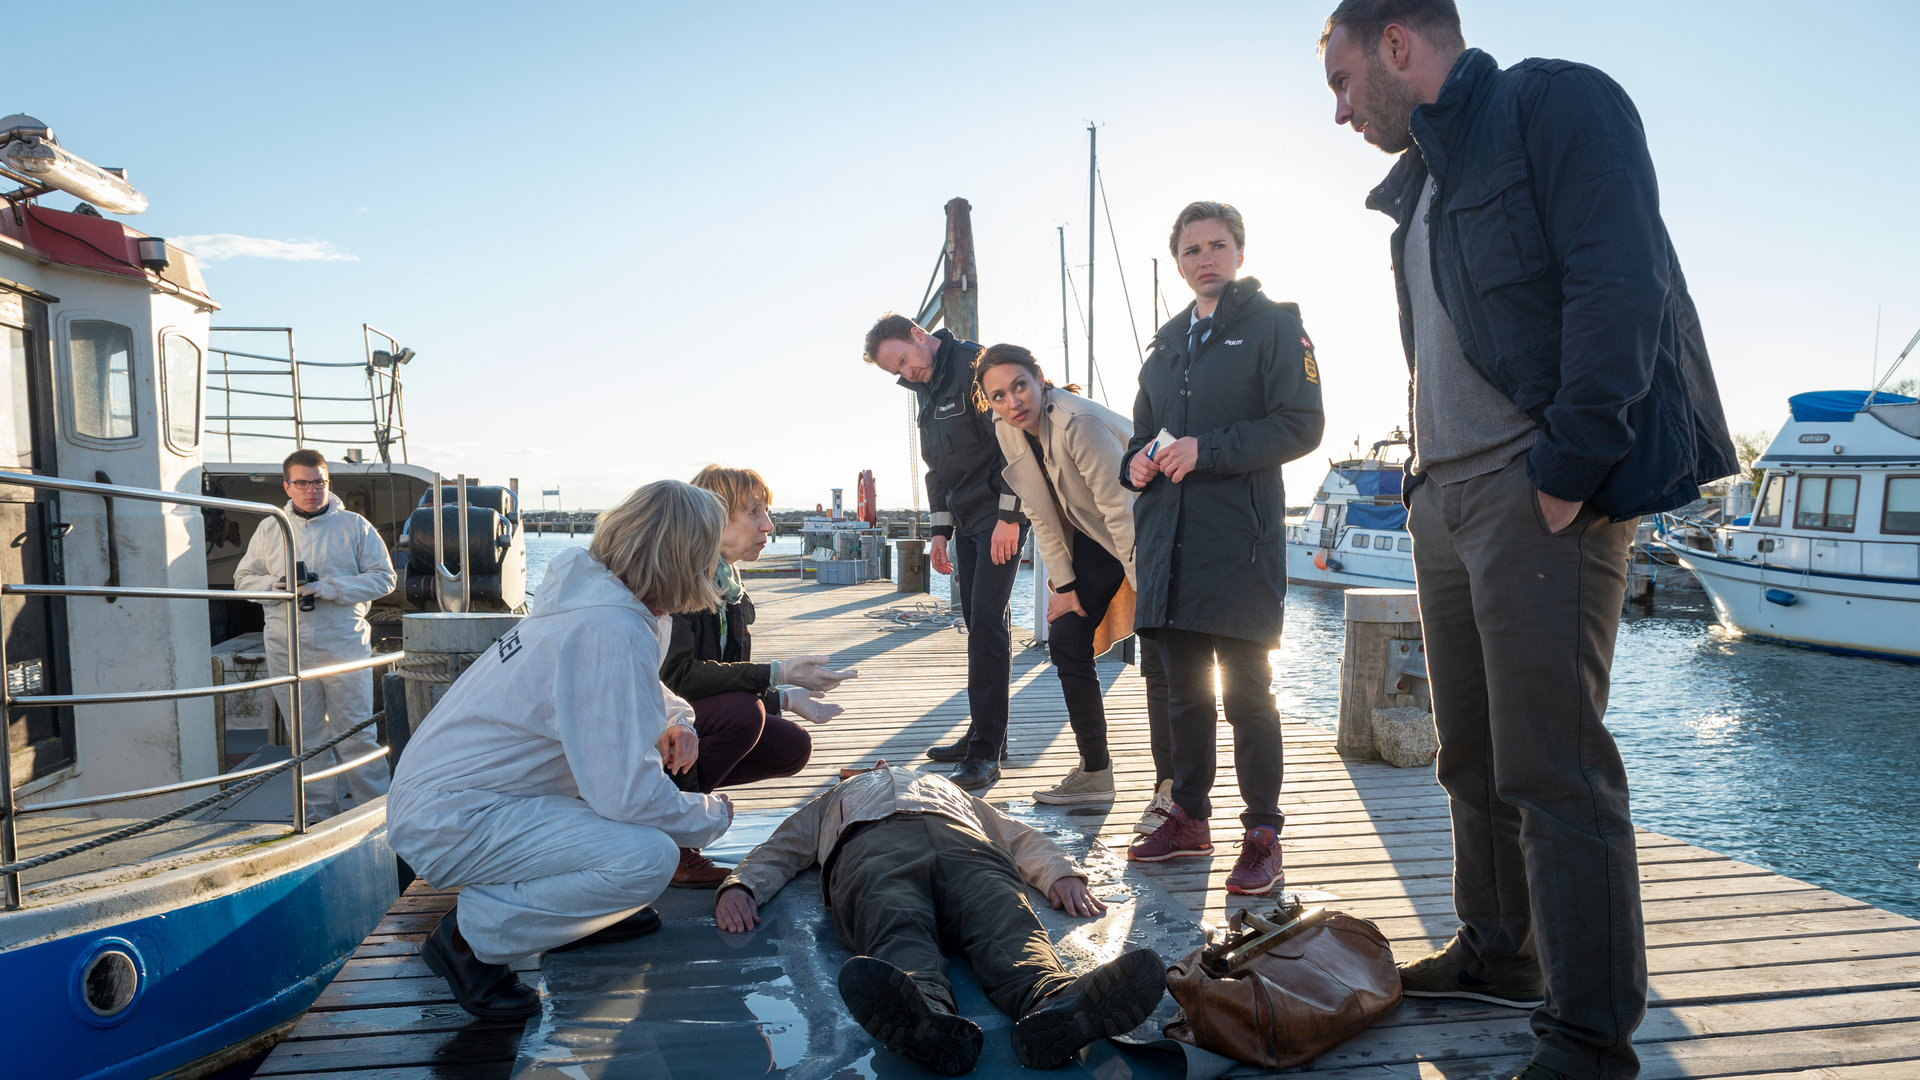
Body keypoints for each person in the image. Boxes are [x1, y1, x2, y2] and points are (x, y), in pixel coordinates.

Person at [1318, 4, 1736, 1078]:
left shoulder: (1556, 103)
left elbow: (1621, 283)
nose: (1338, 108)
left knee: (1557, 772)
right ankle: (1503, 953)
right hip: (1445, 499)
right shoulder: (1417, 188)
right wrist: (1418, 485)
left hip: (1535, 489)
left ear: (1396, 46)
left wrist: (1569, 469)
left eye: (1341, 75)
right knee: (1471, 757)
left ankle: (1591, 1037)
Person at [386, 480, 737, 1019]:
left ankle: (584, 919)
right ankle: (467, 941)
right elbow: (625, 796)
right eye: (709, 551)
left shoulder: (599, 604)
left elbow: (631, 685)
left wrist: (675, 716)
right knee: (647, 857)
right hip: (456, 818)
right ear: (685, 556)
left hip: (465, 799)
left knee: (632, 838)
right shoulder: (609, 626)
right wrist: (711, 817)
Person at [1118, 202, 1325, 898]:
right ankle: (1189, 819)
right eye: (1190, 249)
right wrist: (1136, 465)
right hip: (1168, 550)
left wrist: (1206, 451)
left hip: (1239, 543)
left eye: (1218, 245)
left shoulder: (1276, 327)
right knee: (1183, 699)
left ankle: (1262, 833)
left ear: (1239, 251)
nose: (1204, 258)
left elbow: (1301, 425)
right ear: (1177, 261)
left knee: (1247, 696)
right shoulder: (1167, 343)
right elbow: (1141, 436)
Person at [713, 761, 1166, 1075]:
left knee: (1003, 914)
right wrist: (742, 885)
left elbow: (1018, 836)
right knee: (892, 918)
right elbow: (783, 846)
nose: (882, 765)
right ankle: (924, 1013)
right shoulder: (835, 796)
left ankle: (1054, 1004)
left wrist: (1060, 873)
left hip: (963, 844)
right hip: (872, 849)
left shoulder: (950, 790)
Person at [971, 345, 1175, 821]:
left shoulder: (1076, 423)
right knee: (1066, 640)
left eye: (1020, 386)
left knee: (1160, 654)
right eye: (998, 396)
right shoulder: (1009, 428)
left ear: (1040, 378)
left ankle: (1171, 787)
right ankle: (1095, 773)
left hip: (1150, 531)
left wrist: (1147, 591)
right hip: (1098, 535)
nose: (1013, 401)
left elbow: (1122, 512)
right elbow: (1040, 513)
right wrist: (1063, 587)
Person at [659, 464, 857, 887]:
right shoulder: (679, 581)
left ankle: (675, 803)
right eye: (754, 512)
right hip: (654, 723)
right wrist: (776, 674)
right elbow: (676, 678)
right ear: (714, 515)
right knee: (743, 717)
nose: (768, 524)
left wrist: (783, 698)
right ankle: (672, 838)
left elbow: (719, 682)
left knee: (791, 747)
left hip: (686, 719)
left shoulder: (727, 585)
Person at [864, 314, 1028, 790]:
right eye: (894, 371)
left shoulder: (976, 365)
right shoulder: (927, 391)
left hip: (999, 518)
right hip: (968, 521)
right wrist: (940, 532)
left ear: (918, 334)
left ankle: (986, 752)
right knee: (978, 624)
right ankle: (982, 734)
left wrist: (1009, 518)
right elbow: (937, 469)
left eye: (902, 360)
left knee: (988, 628)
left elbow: (1013, 447)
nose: (905, 373)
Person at [233, 449, 397, 820]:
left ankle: (379, 814)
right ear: (288, 486)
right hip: (286, 643)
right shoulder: (270, 527)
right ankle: (322, 818)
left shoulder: (354, 526)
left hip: (342, 640)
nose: (312, 490)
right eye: (303, 483)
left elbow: (385, 578)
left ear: (328, 483)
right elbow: (243, 579)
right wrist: (274, 585)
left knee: (356, 733)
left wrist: (331, 588)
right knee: (306, 739)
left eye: (318, 482)